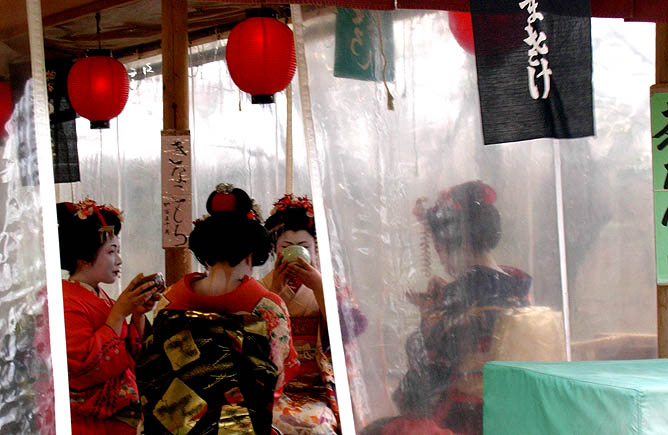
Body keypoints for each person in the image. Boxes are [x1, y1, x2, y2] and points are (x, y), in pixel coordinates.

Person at [365, 181, 531, 435]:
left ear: (460, 245)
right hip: (513, 413)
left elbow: (424, 380)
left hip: (466, 420)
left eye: (440, 250)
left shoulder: (460, 299)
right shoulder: (516, 286)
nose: (441, 261)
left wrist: (428, 315)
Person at [137, 184, 299, 434]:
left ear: (205, 254)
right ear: (249, 255)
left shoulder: (171, 300)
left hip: (170, 422)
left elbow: (153, 363)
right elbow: (276, 374)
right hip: (237, 426)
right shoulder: (266, 308)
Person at [262, 193, 368, 434]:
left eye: (305, 247)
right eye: (285, 247)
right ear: (274, 250)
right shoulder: (265, 285)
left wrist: (320, 287)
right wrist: (274, 291)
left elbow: (352, 329)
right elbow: (252, 332)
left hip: (320, 384)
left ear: (315, 249)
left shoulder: (332, 284)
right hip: (278, 384)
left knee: (317, 427)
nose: (295, 253)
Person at [56, 199, 161, 434]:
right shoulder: (64, 300)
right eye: (111, 252)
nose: (119, 260)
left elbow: (132, 356)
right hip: (87, 423)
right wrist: (120, 311)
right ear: (84, 257)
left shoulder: (99, 296)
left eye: (118, 251)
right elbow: (84, 368)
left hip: (118, 420)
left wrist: (137, 315)